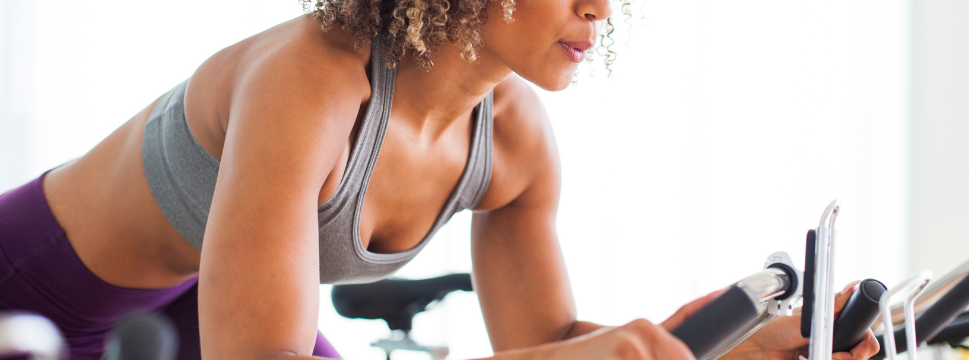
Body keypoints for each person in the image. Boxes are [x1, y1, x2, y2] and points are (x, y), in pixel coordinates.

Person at [0, 0, 881, 359]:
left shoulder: (516, 140)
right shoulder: (314, 77)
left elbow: (540, 342)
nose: (602, 10)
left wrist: (733, 347)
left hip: (195, 300)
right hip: (31, 288)